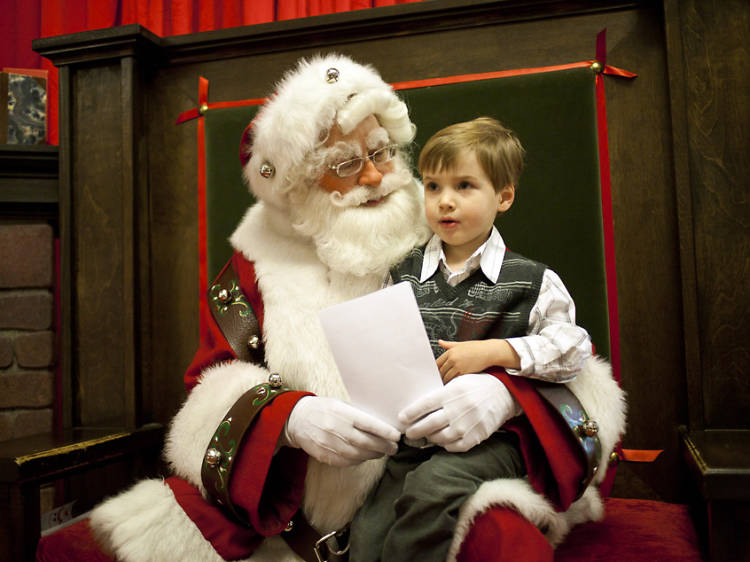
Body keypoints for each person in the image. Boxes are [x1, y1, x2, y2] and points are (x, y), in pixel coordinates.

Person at [38, 54, 625, 562]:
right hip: (297, 505)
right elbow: (210, 388)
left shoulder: (446, 231)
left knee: (502, 538)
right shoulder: (256, 266)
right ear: (297, 187)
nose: (375, 177)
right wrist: (289, 420)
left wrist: (504, 398)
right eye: (345, 165)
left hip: (444, 480)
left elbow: (573, 362)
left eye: (381, 152)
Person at [350, 117, 593, 562]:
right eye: (433, 186)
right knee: (367, 532)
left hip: (496, 440)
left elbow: (574, 350)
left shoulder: (532, 280)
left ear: (503, 196)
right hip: (415, 435)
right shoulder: (400, 275)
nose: (445, 202)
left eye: (464, 186)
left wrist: (498, 352)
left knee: (433, 487)